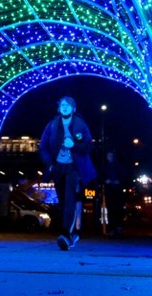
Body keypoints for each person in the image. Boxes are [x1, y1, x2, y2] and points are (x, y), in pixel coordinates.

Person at [39, 96, 96, 250]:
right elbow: (43, 147)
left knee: (70, 199)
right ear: (59, 108)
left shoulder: (80, 124)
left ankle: (65, 234)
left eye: (68, 105)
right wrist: (50, 164)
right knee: (63, 202)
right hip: (58, 167)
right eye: (62, 104)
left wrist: (74, 145)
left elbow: (88, 146)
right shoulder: (52, 125)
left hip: (73, 167)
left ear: (73, 108)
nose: (64, 107)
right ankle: (73, 234)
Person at [102, 150, 125, 236]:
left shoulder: (118, 166)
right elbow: (102, 175)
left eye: (111, 156)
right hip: (110, 189)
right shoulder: (105, 167)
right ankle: (112, 228)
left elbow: (123, 175)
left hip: (117, 189)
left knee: (118, 209)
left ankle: (118, 227)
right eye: (109, 156)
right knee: (111, 209)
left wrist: (118, 181)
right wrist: (106, 181)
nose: (110, 158)